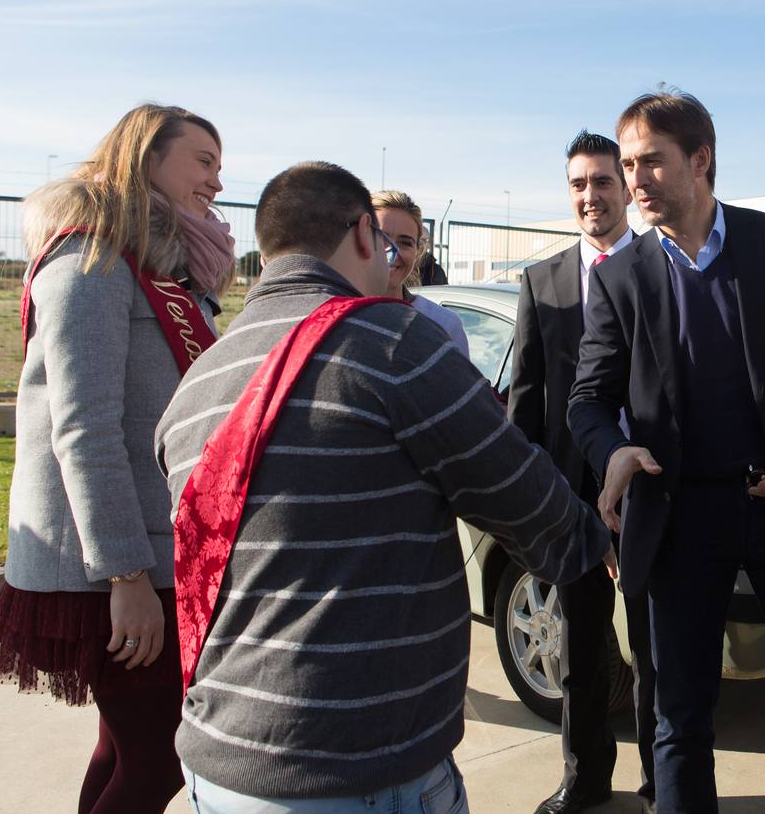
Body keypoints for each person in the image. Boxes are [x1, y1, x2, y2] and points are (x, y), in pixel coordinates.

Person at [155, 161, 614, 812]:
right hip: (358, 765)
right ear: (362, 236)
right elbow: (522, 494)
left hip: (216, 759)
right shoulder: (391, 342)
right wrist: (595, 539)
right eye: (385, 241)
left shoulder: (201, 377)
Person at [567, 90, 765, 814]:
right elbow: (587, 400)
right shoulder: (619, 276)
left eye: (650, 162)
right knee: (680, 716)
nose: (634, 180)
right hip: (680, 520)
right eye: (628, 164)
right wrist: (614, 451)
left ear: (700, 161)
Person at [0, 103, 233, 814]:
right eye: (203, 162)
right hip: (116, 567)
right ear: (146, 157)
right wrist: (125, 576)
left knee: (124, 750)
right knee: (159, 757)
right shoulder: (88, 260)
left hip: (153, 554)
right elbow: (84, 428)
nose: (217, 182)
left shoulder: (154, 266)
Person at [510, 131, 655, 814]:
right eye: (578, 184)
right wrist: (532, 501)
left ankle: (663, 782)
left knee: (654, 653)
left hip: (654, 490)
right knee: (581, 653)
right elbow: (526, 399)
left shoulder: (663, 267)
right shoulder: (541, 283)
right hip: (570, 501)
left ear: (625, 187)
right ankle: (585, 777)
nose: (590, 195)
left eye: (602, 181)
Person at [372, 188, 470, 357]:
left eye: (405, 243)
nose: (391, 251)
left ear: (417, 251)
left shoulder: (443, 323)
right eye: (381, 238)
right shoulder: (331, 316)